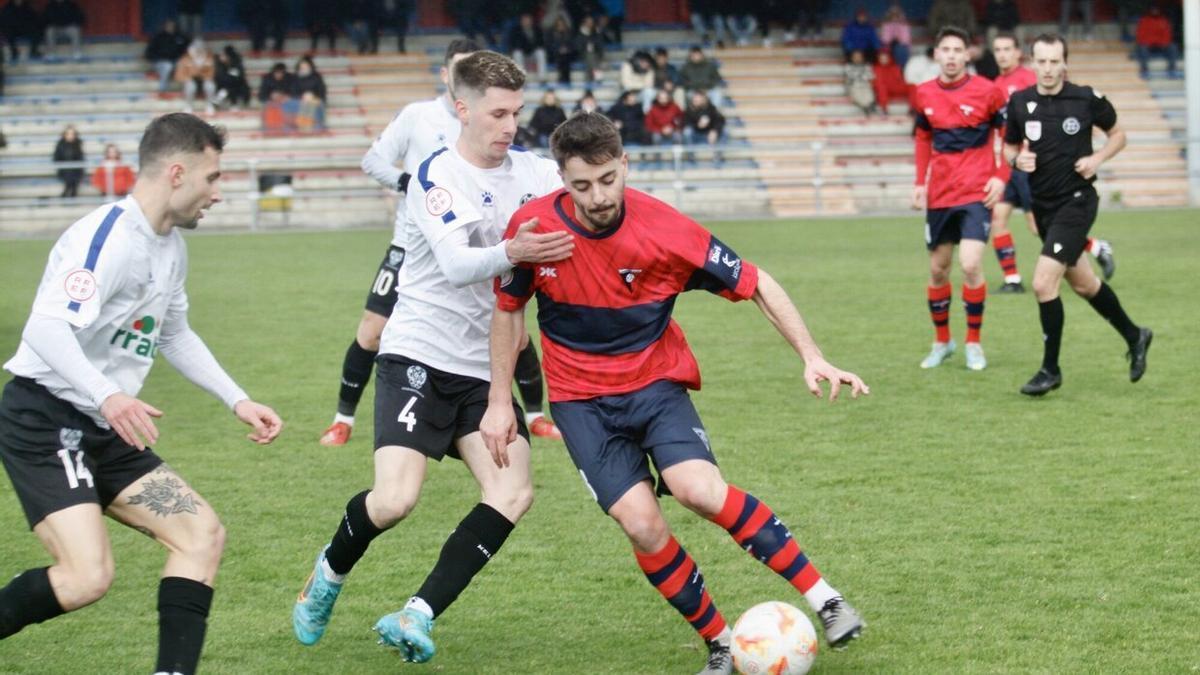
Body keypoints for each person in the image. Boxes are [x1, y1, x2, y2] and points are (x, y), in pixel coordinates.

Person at [482, 112, 868, 675]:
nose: (597, 197)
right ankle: (719, 640)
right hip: (580, 402)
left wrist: (811, 354)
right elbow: (508, 313)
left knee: (699, 490)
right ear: (561, 179)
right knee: (641, 523)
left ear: (625, 165)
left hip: (656, 386)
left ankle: (826, 599)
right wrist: (499, 402)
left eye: (608, 179)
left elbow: (756, 282)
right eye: (581, 185)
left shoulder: (665, 230)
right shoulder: (534, 231)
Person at [291, 51, 574, 663]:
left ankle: (416, 613)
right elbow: (455, 265)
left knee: (514, 490)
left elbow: (585, 202)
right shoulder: (435, 174)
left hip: (483, 370)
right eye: (498, 113)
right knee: (394, 500)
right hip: (418, 354)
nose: (509, 126)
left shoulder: (533, 170)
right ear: (461, 108)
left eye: (517, 113)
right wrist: (517, 249)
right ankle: (328, 576)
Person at [0, 112, 283, 674]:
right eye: (212, 178)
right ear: (177, 173)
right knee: (86, 578)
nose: (218, 193)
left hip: (107, 427)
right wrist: (108, 394)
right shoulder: (105, 239)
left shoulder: (169, 245)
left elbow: (173, 333)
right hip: (45, 421)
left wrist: (237, 398)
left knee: (200, 535)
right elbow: (45, 328)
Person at [323, 39, 562, 446]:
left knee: (512, 331)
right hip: (415, 243)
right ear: (447, 76)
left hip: (482, 256)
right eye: (460, 68)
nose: (509, 123)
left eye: (514, 114)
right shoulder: (419, 118)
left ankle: (535, 413)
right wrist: (408, 184)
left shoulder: (511, 152)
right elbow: (373, 160)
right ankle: (343, 418)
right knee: (372, 330)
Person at [1003, 34, 1151, 396]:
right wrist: (1015, 159)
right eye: (1042, 61)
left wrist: (1098, 159)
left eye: (1055, 61)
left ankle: (1050, 369)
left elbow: (1118, 135)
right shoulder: (1020, 103)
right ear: (1032, 62)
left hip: (1077, 201)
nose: (1048, 69)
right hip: (1044, 206)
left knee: (1042, 283)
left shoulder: (1085, 98)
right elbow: (1008, 146)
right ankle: (1136, 335)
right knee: (1084, 284)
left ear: (1064, 63)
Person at [911, 26, 1008, 372]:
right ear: (936, 55)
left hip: (975, 192)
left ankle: (973, 343)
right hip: (939, 195)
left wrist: (1001, 176)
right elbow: (923, 139)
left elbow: (1011, 136)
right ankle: (943, 341)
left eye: (957, 50)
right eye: (945, 50)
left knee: (969, 264)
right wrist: (919, 183)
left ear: (968, 55)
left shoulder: (988, 91)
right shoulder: (923, 94)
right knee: (938, 271)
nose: (951, 56)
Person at [990, 32, 1115, 293]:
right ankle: (1012, 278)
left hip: (1039, 169)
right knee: (998, 219)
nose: (1002, 54)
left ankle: (1093, 246)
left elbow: (1064, 112)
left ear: (1019, 54)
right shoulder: (997, 84)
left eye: (1007, 49)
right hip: (1013, 165)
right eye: (997, 50)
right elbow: (1006, 131)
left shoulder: (1031, 78)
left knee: (1038, 226)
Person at [1134, 6, 1180, 79]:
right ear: (1150, 11)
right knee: (1142, 48)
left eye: (1156, 10)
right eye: (1153, 10)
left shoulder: (1163, 20)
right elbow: (1140, 35)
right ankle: (1144, 70)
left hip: (1161, 45)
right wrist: (1149, 42)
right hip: (1149, 45)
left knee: (1173, 47)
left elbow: (1167, 34)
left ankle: (1172, 69)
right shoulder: (1144, 20)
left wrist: (1164, 43)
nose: (1155, 12)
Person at [144, 19, 190, 93]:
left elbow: (187, 49)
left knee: (184, 64)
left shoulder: (180, 37)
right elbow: (149, 53)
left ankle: (188, 88)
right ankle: (163, 89)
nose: (170, 27)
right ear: (164, 27)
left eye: (172, 26)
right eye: (168, 26)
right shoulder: (158, 37)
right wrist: (157, 59)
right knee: (167, 66)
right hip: (160, 62)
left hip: (175, 61)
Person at [175, 39, 217, 114]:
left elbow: (212, 72)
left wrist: (206, 76)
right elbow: (179, 74)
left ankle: (209, 105)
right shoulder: (185, 58)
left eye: (201, 49)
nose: (199, 51)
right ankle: (188, 106)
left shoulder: (208, 57)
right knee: (190, 86)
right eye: (197, 49)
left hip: (204, 80)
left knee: (210, 86)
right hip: (190, 80)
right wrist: (188, 78)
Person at [291, 55, 328, 132]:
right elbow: (293, 91)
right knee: (303, 104)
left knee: (312, 104)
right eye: (302, 66)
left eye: (306, 66)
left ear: (310, 66)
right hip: (300, 100)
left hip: (315, 99)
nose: (304, 68)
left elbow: (321, 90)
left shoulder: (316, 76)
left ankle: (311, 127)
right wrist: (303, 96)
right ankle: (302, 127)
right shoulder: (295, 77)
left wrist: (313, 96)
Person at [509, 13, 547, 81]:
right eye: (524, 20)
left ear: (531, 21)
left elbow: (541, 43)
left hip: (533, 54)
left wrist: (533, 48)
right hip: (522, 54)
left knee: (541, 52)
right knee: (517, 53)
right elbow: (514, 44)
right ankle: (521, 78)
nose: (526, 22)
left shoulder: (537, 29)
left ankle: (542, 77)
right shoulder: (516, 30)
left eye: (528, 20)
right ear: (521, 21)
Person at [871, 49, 909, 116]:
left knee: (912, 86)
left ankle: (914, 109)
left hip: (895, 88)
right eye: (882, 59)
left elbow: (900, 80)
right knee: (881, 87)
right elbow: (875, 82)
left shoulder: (895, 67)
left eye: (885, 58)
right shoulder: (875, 68)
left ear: (889, 58)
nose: (884, 60)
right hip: (884, 90)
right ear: (878, 59)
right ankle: (884, 109)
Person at [213, 45, 251, 109]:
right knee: (226, 88)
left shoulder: (237, 63)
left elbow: (240, 77)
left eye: (223, 55)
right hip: (224, 85)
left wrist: (231, 77)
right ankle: (220, 102)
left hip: (237, 85)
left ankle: (238, 104)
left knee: (238, 87)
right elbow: (219, 78)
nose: (221, 57)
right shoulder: (219, 65)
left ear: (228, 56)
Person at [53, 125, 84, 198]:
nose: (70, 136)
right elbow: (56, 158)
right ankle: (71, 189)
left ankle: (69, 190)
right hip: (64, 171)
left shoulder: (78, 145)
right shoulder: (60, 145)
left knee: (73, 172)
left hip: (75, 171)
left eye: (72, 134)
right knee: (69, 172)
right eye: (68, 134)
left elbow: (80, 159)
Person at [546, 16, 576, 85]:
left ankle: (564, 77)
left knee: (565, 57)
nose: (561, 26)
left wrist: (567, 49)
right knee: (561, 57)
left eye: (562, 24)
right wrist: (558, 49)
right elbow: (549, 45)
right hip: (555, 54)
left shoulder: (569, 33)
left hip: (568, 53)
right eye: (559, 25)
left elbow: (572, 44)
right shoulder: (552, 34)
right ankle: (564, 77)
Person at [844, 49, 876, 115]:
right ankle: (865, 107)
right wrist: (848, 92)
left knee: (869, 94)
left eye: (859, 57)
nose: (857, 58)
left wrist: (870, 84)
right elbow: (848, 79)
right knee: (857, 95)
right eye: (855, 57)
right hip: (855, 85)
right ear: (852, 58)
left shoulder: (867, 66)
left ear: (863, 58)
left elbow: (870, 76)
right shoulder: (848, 67)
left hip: (865, 85)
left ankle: (869, 106)